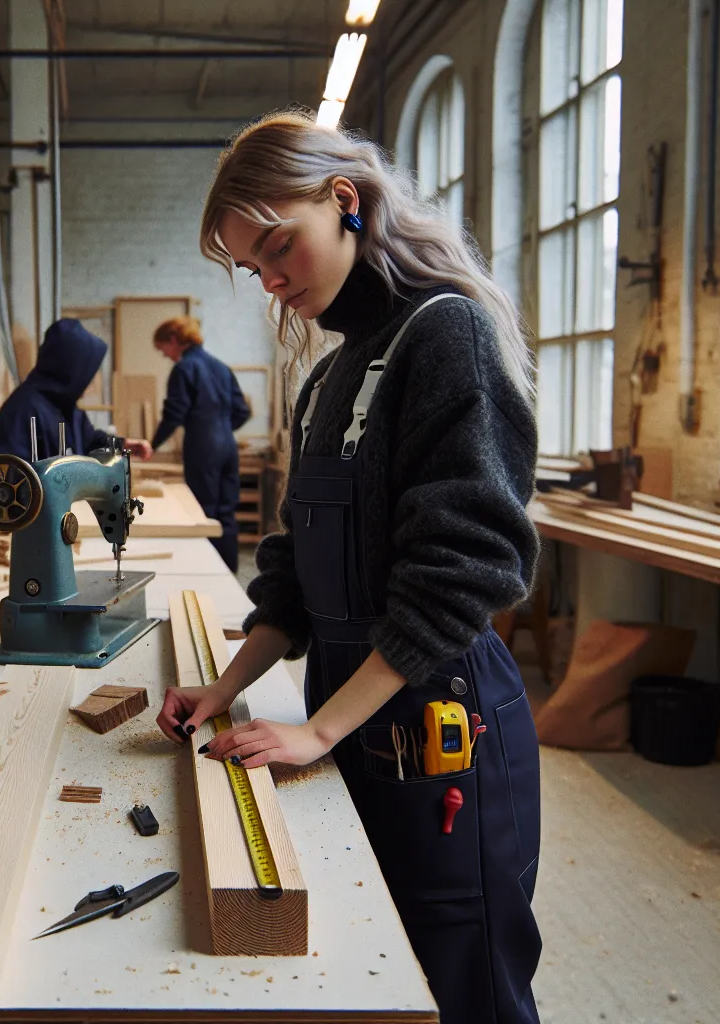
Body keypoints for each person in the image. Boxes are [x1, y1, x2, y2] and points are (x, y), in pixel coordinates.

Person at [155, 112, 542, 1024]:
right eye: (256, 268)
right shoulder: (333, 377)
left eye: (280, 247)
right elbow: (293, 568)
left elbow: (462, 571)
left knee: (466, 987)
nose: (275, 280)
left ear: (345, 200)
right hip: (351, 705)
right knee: (376, 978)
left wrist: (320, 733)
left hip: (437, 725)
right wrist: (227, 686)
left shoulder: (448, 336)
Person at [149, 317, 251, 570]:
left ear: (173, 340)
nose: (165, 356)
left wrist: (153, 444)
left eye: (163, 349)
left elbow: (175, 412)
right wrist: (222, 429)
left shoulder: (184, 369)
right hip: (228, 447)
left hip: (202, 448)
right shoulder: (221, 367)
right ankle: (229, 570)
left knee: (203, 512)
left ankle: (208, 571)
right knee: (225, 512)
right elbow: (242, 410)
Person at [0, 318, 152, 463]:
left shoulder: (65, 406)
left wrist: (122, 444)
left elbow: (89, 441)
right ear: (71, 369)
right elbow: (6, 478)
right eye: (86, 373)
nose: (89, 383)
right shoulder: (22, 412)